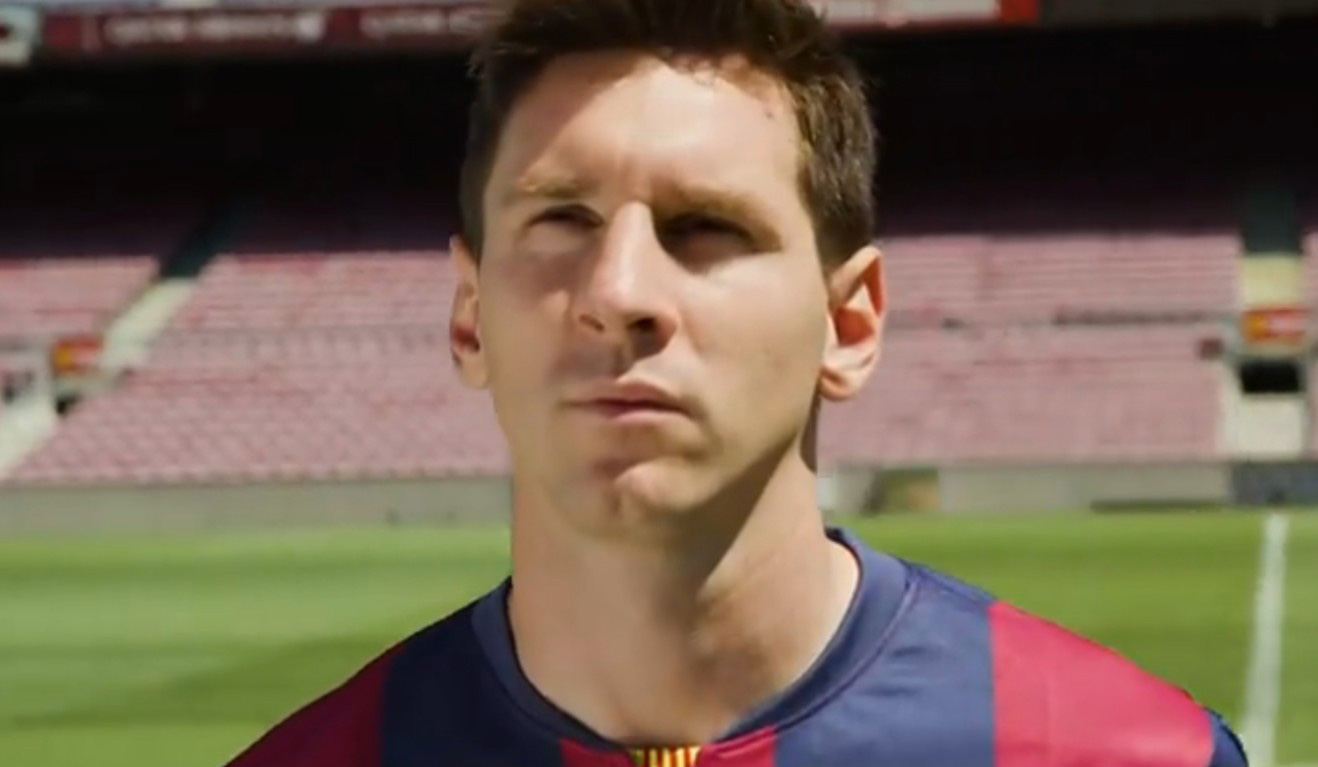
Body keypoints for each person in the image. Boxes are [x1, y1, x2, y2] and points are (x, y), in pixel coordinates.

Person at [224, 1, 1248, 765]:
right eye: (562, 221)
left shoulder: (1127, 754)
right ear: (467, 316)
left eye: (705, 226)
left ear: (849, 324)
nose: (619, 292)